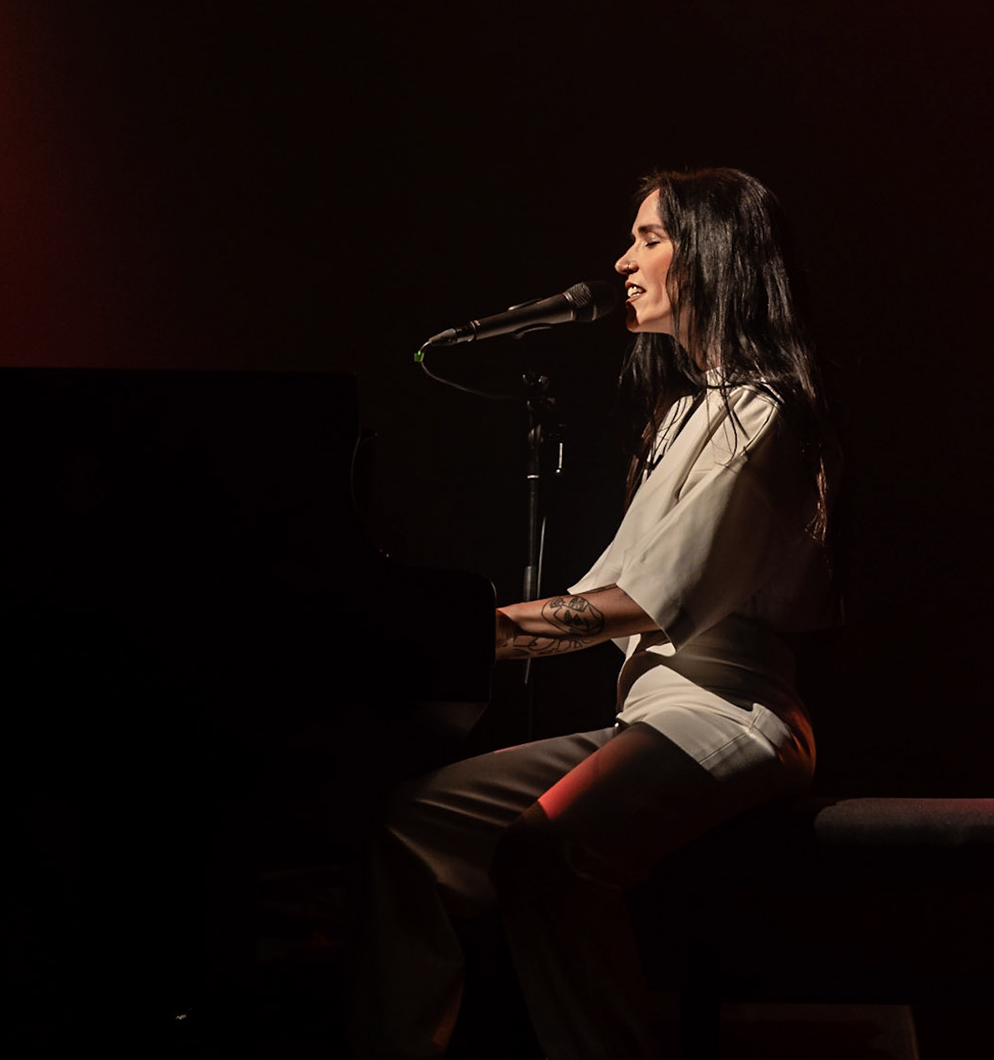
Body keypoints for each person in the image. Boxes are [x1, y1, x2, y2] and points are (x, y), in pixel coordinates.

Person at [350, 168, 839, 1060]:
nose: (624, 259)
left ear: (716, 254)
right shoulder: (686, 412)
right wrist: (452, 635)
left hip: (732, 715)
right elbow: (603, 597)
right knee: (407, 829)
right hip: (645, 717)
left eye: (651, 238)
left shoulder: (767, 411)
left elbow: (640, 601)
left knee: (546, 851)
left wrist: (449, 636)